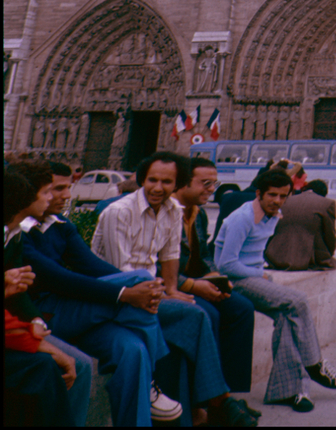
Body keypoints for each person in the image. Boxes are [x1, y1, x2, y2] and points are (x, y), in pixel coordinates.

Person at [92, 152, 258, 427]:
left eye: (166, 182)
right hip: (120, 294)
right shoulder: (119, 212)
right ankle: (219, 401)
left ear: (177, 183)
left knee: (188, 323)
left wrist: (171, 289)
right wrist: (164, 292)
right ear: (142, 180)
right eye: (152, 180)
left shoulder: (172, 210)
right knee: (195, 316)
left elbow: (169, 255)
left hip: (150, 288)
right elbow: (122, 272)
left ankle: (202, 409)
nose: (158, 188)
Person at [17, 158, 180, 427]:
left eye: (67, 187)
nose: (66, 195)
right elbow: (58, 279)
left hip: (73, 310)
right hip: (44, 314)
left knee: (133, 350)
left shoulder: (60, 224)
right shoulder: (18, 232)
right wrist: (125, 293)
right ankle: (152, 382)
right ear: (31, 192)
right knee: (141, 279)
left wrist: (136, 289)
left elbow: (92, 266)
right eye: (55, 189)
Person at [215, 168, 336, 413]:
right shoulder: (242, 218)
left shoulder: (273, 216)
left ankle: (287, 391)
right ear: (259, 194)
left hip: (252, 277)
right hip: (233, 281)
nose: (277, 201)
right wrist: (259, 273)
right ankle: (315, 364)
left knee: (287, 318)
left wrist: (261, 271)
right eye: (272, 195)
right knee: (297, 300)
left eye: (283, 196)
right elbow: (225, 264)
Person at [5, 167, 92, 428]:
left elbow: (18, 294)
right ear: (24, 198)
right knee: (44, 367)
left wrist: (35, 322)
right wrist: (39, 342)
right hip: (12, 329)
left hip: (16, 326)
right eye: (46, 192)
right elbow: (59, 278)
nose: (52, 197)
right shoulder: (18, 234)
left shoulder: (16, 234)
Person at [173, 159, 259, 407]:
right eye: (205, 183)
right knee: (209, 314)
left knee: (242, 308)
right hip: (174, 286)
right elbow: (155, 267)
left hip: (197, 281)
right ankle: (210, 399)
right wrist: (192, 285)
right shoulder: (168, 212)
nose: (212, 189)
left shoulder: (198, 214)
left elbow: (204, 255)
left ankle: (230, 392)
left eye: (214, 183)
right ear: (184, 182)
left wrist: (214, 276)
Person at [265, 179, 336, 296]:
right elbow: (330, 236)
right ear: (324, 194)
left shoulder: (286, 200)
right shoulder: (327, 203)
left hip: (274, 256)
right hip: (306, 259)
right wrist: (328, 255)